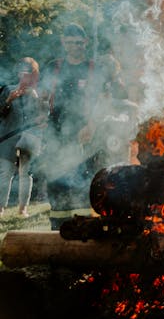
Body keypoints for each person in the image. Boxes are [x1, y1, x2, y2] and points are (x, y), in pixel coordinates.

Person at [41, 23, 121, 230]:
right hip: (55, 134)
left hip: (85, 134)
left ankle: (85, 228)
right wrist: (42, 116)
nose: (75, 47)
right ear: (63, 43)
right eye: (70, 43)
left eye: (78, 42)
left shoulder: (94, 69)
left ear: (85, 42)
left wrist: (91, 126)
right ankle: (58, 228)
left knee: (84, 181)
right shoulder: (53, 67)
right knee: (56, 181)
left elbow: (103, 101)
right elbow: (42, 97)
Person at [0, 58, 44, 218]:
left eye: (28, 72)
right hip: (7, 136)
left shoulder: (37, 92)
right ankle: (0, 209)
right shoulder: (7, 90)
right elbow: (0, 113)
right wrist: (9, 100)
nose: (23, 75)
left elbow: (43, 116)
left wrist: (36, 98)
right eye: (21, 71)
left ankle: (22, 209)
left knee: (26, 173)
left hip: (30, 136)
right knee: (5, 172)